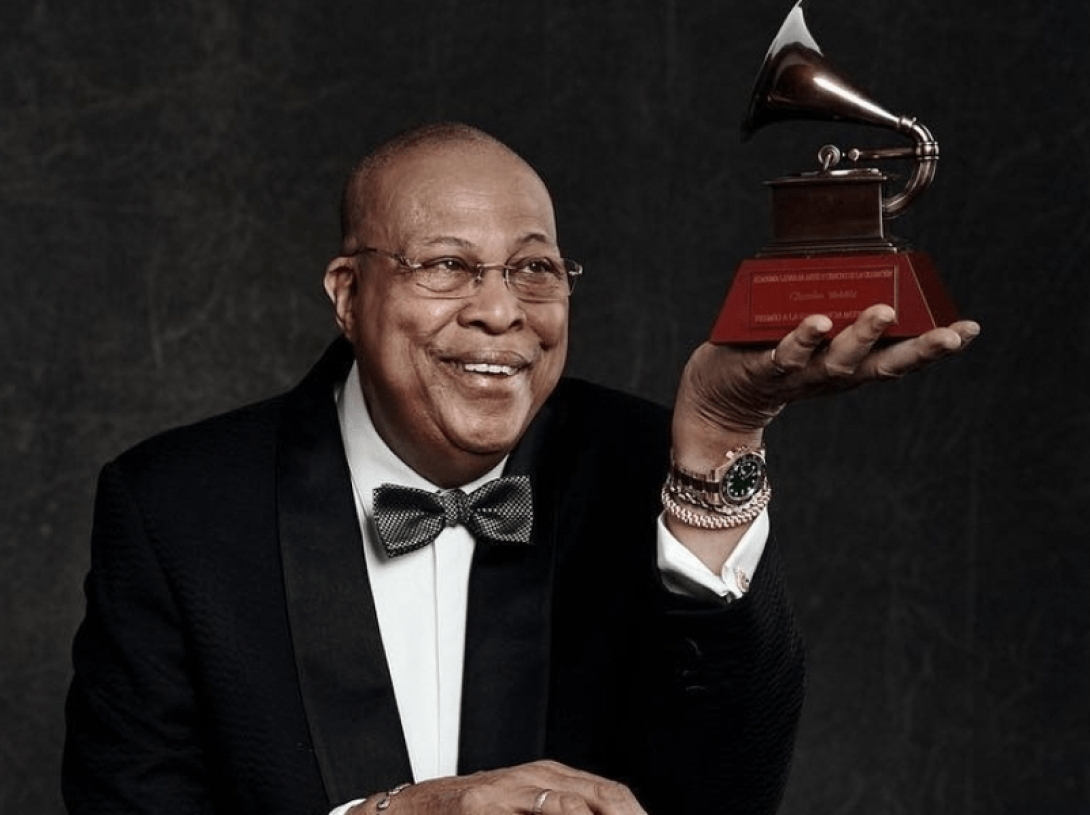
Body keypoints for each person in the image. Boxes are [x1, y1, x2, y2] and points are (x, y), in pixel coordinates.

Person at [63, 122, 978, 815]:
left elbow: (728, 789)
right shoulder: (175, 508)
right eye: (448, 265)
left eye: (535, 268)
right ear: (348, 294)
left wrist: (722, 437)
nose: (502, 310)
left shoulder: (643, 464)